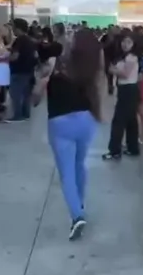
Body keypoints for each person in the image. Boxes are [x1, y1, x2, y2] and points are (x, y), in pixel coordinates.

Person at [33, 30, 103, 240]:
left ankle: (77, 215)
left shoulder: (56, 63)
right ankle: (79, 204)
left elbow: (36, 96)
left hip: (60, 122)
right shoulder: (90, 67)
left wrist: (40, 84)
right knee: (79, 164)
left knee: (66, 173)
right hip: (86, 121)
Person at [105, 32, 142, 160]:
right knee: (131, 120)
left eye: (129, 42)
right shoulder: (123, 57)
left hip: (128, 89)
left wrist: (111, 70)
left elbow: (125, 74)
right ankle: (132, 148)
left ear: (133, 44)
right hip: (127, 89)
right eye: (123, 42)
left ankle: (115, 150)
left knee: (118, 120)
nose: (125, 45)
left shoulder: (131, 57)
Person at [8, 18, 38, 121]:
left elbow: (15, 56)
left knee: (15, 94)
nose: (12, 29)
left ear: (18, 28)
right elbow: (35, 55)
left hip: (18, 70)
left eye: (13, 27)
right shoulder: (30, 40)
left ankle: (17, 115)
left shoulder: (19, 40)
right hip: (29, 70)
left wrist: (4, 58)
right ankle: (26, 113)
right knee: (26, 94)